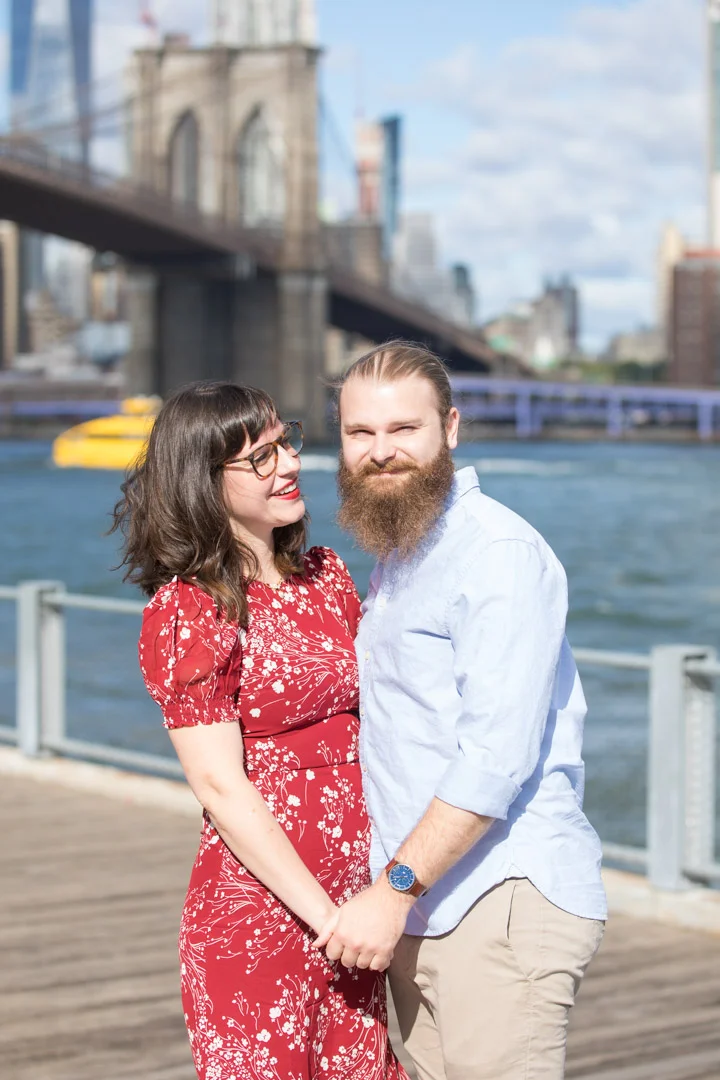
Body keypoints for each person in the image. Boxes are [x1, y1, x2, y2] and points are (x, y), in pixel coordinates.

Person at [317, 342, 607, 1080]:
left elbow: (494, 760)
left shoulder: (496, 553)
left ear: (450, 427)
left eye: (403, 429)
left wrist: (391, 892)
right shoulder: (403, 551)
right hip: (424, 905)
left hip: (496, 900)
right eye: (360, 433)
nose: (381, 451)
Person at [112, 381, 408, 1080]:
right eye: (260, 457)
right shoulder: (190, 609)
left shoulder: (326, 577)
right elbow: (219, 785)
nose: (290, 463)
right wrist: (327, 919)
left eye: (285, 442)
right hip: (265, 920)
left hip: (357, 911)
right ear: (204, 482)